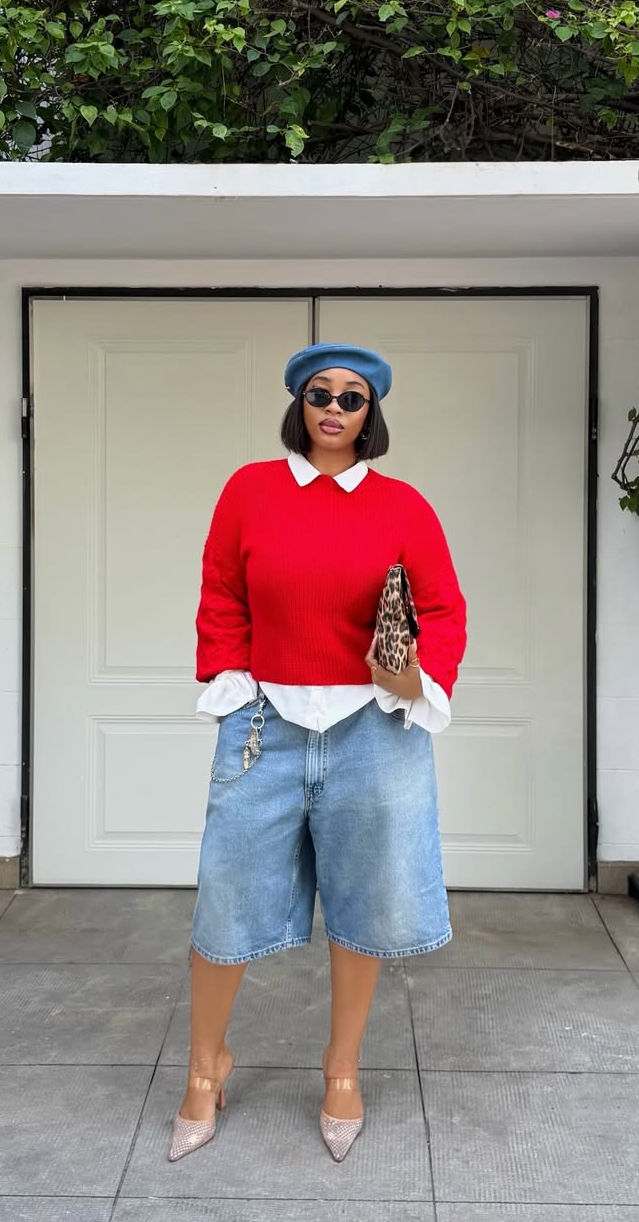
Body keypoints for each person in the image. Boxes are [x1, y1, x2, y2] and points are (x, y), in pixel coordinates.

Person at [171, 342, 467, 1164]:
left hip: (373, 730)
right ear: (299, 403)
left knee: (365, 903)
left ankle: (341, 1069)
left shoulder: (403, 506)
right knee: (226, 899)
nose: (335, 408)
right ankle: (205, 1066)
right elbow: (222, 591)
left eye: (353, 398)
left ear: (372, 414)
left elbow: (441, 609)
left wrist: (416, 681)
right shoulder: (250, 490)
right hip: (265, 721)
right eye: (320, 393)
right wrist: (231, 684)